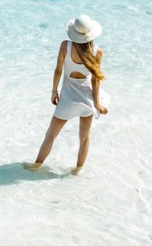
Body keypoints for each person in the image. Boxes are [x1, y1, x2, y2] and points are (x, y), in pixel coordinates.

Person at [25, 14, 109, 174]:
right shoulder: (97, 52)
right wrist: (97, 103)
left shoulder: (65, 46)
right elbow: (95, 81)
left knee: (50, 135)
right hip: (86, 99)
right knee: (84, 138)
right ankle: (77, 171)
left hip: (68, 100)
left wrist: (54, 91)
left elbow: (58, 70)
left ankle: (36, 166)